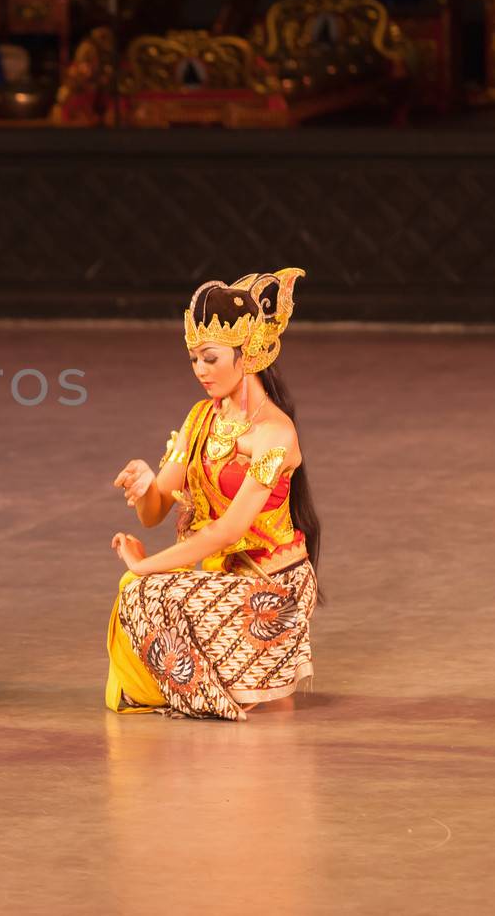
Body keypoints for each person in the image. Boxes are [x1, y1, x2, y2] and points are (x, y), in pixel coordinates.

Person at [105, 269, 321, 720]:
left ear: (250, 355)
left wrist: (146, 565)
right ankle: (217, 684)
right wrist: (147, 485)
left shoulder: (274, 436)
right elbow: (155, 512)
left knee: (140, 589)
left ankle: (227, 685)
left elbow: (228, 531)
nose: (199, 370)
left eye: (210, 358)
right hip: (222, 579)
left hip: (269, 589)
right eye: (193, 360)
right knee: (138, 590)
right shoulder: (202, 418)